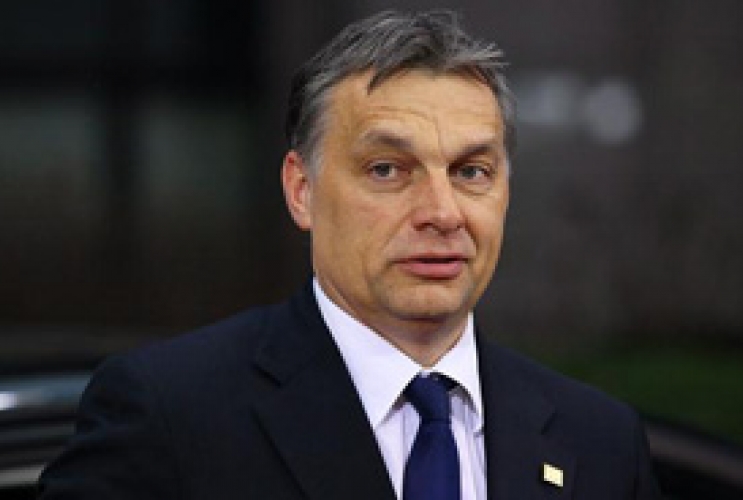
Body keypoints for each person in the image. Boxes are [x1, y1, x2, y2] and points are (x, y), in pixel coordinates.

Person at [38, 10, 662, 500]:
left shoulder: (600, 440)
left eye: (471, 171)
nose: (442, 213)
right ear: (301, 190)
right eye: (388, 169)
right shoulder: (170, 415)